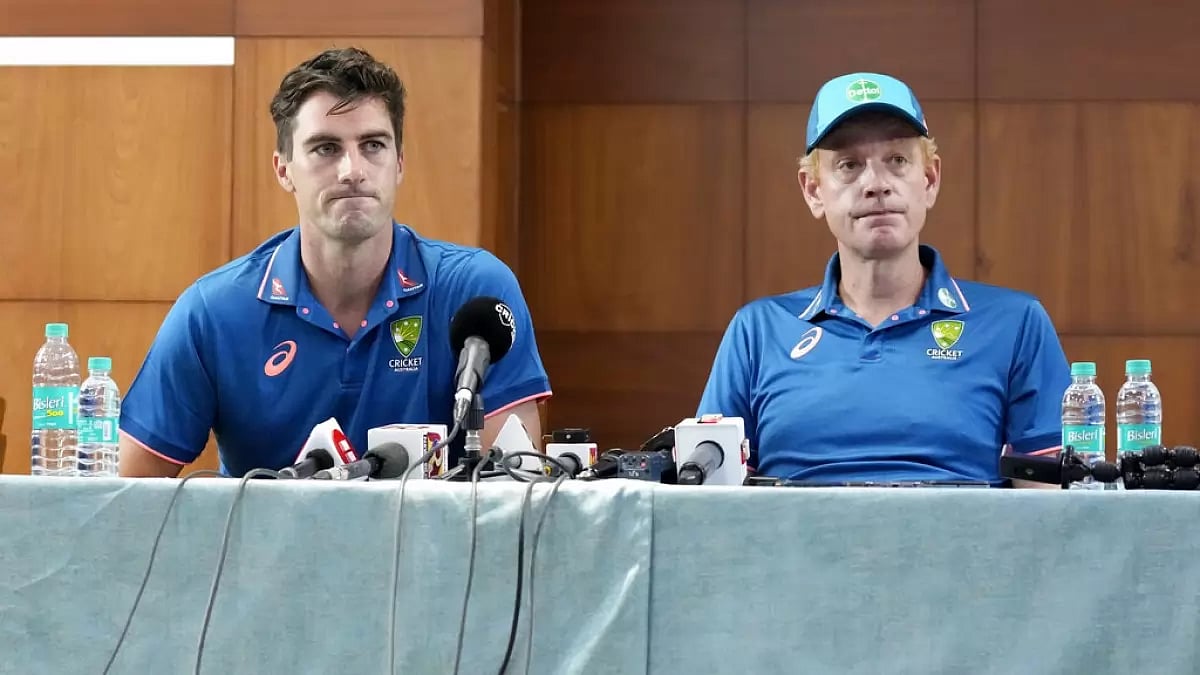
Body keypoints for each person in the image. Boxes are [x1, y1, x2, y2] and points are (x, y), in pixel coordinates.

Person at [118, 47, 552, 478]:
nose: (352, 170)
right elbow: (129, 500)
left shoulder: (476, 291)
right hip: (271, 548)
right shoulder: (212, 312)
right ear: (283, 169)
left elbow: (515, 490)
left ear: (399, 163)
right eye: (326, 148)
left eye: (373, 145)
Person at [696, 72, 1070, 487]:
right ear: (813, 190)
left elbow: (1051, 507)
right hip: (795, 551)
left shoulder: (1016, 324)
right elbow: (709, 504)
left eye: (897, 161)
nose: (875, 185)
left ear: (929, 180)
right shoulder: (757, 332)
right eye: (849, 165)